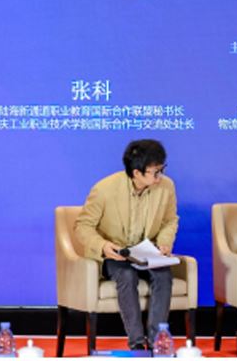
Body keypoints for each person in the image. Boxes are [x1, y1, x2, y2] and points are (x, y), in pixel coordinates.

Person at [73, 139, 180, 351]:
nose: (160, 177)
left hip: (147, 252)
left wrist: (164, 243)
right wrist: (103, 246)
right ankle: (137, 343)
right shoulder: (104, 189)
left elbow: (170, 220)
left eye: (162, 169)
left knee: (163, 276)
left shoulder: (166, 186)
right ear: (136, 173)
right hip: (115, 253)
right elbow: (82, 226)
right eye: (155, 172)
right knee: (126, 276)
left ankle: (157, 342)